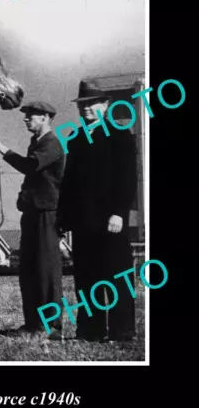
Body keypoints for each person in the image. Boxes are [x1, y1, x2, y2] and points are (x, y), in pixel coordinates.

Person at [56, 82, 138, 342]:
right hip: (82, 222)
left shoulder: (121, 135)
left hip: (111, 221)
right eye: (83, 104)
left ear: (106, 105)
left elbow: (127, 178)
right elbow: (68, 182)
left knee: (117, 275)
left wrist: (118, 213)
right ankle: (89, 330)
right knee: (87, 278)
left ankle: (121, 330)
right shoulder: (75, 139)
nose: (87, 109)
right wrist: (63, 220)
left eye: (92, 104)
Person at [0, 101, 66, 340]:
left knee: (46, 271)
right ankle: (33, 325)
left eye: (32, 115)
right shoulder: (37, 143)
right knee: (29, 271)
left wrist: (1, 148)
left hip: (47, 215)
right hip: (32, 214)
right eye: (27, 115)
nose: (26, 118)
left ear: (46, 118)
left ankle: (51, 328)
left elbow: (30, 166)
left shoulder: (51, 144)